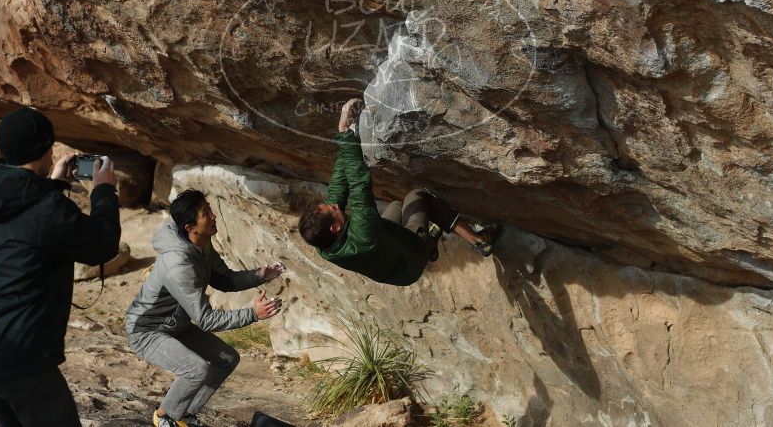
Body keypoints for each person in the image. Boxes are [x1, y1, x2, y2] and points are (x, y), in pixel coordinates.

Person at [0, 107, 120, 427]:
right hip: (22, 359)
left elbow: (21, 220)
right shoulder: (46, 208)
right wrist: (103, 191)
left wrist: (53, 184)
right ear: (47, 149)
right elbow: (102, 245)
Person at [126, 189, 285, 427]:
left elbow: (225, 279)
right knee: (196, 370)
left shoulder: (201, 245)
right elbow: (206, 320)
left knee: (227, 358)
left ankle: (183, 415)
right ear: (191, 227)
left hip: (175, 326)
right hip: (146, 331)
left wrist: (259, 275)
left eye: (209, 209)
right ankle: (163, 417)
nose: (213, 216)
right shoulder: (178, 265)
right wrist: (252, 314)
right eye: (205, 213)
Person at [298, 98, 496, 287]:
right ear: (334, 227)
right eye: (332, 209)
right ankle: (478, 241)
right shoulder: (362, 233)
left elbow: (339, 185)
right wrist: (343, 131)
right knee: (417, 197)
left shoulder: (322, 241)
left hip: (390, 261)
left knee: (396, 206)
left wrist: (348, 135)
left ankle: (429, 239)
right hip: (411, 263)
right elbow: (359, 184)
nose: (334, 205)